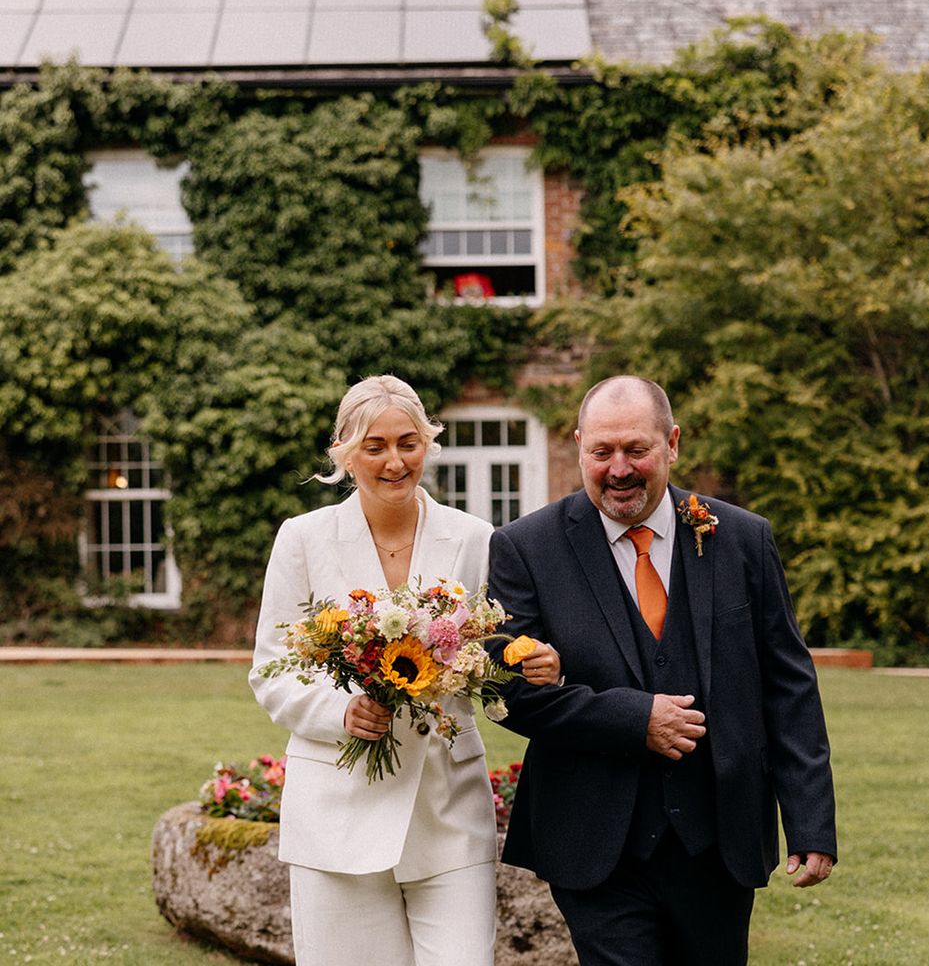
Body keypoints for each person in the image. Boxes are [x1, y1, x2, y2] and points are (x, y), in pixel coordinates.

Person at [488, 375, 836, 966]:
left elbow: (788, 682)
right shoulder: (525, 548)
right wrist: (635, 717)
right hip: (594, 838)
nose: (618, 468)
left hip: (719, 836)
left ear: (671, 444)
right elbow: (510, 693)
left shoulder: (744, 539)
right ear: (579, 446)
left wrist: (809, 821)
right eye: (602, 451)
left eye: (636, 450)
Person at [249, 375, 561, 966]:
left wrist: (538, 663)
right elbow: (271, 670)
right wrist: (340, 710)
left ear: (428, 445)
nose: (395, 461)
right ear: (345, 453)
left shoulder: (476, 539)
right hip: (334, 816)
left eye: (409, 443)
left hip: (447, 812)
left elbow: (499, 651)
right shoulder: (303, 539)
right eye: (375, 447)